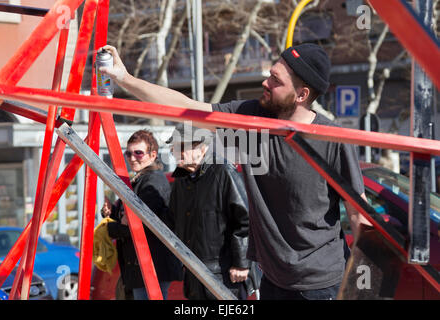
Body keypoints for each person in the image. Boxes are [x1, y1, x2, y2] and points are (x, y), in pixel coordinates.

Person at [98, 43, 371, 300]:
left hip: (321, 285)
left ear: (301, 95)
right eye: (270, 75)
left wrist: (363, 288)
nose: (266, 82)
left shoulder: (332, 139)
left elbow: (360, 219)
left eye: (276, 80)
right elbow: (187, 108)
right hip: (274, 281)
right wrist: (124, 78)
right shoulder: (252, 118)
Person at [166, 123, 255, 300]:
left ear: (202, 147)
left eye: (182, 146)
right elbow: (173, 221)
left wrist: (241, 264)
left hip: (224, 274)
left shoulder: (222, 171)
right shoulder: (181, 181)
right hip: (194, 273)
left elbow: (245, 220)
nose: (177, 152)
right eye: (174, 147)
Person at [101, 129, 182, 300]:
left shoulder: (153, 181)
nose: (132, 158)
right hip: (143, 264)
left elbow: (139, 225)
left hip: (152, 264)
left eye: (138, 153)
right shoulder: (140, 180)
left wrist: (108, 228)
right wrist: (113, 213)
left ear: (153, 155)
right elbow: (129, 219)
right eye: (128, 153)